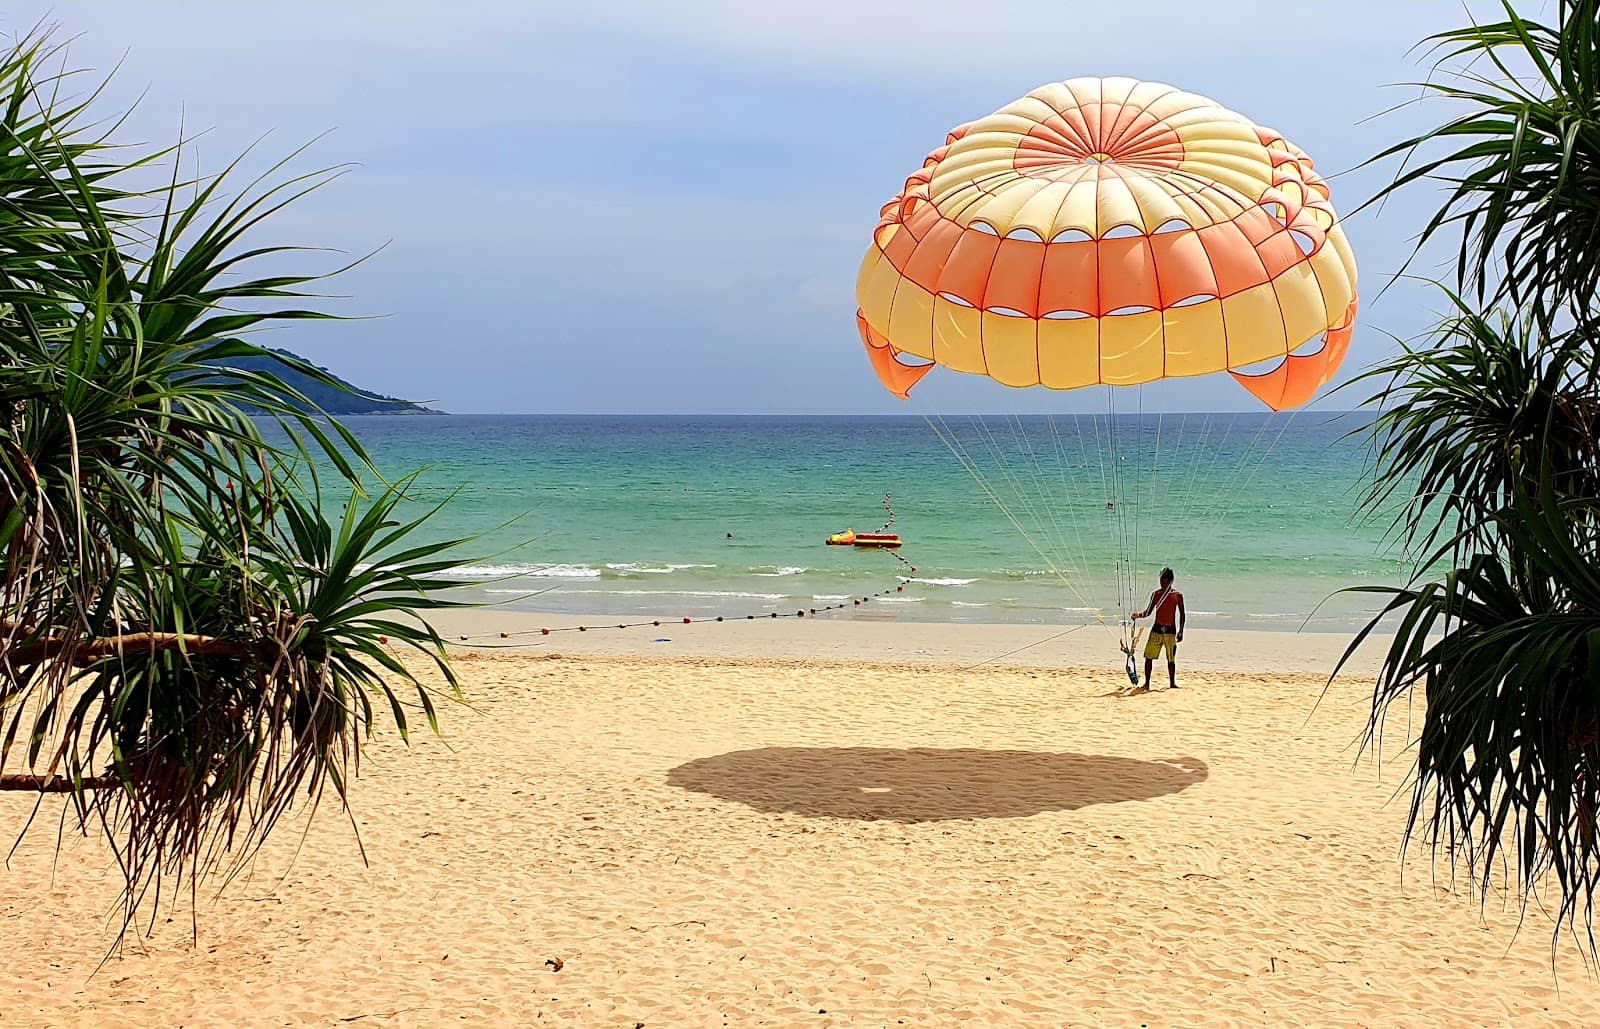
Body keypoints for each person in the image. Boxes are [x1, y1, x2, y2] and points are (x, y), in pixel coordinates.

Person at [1131, 567, 1185, 692]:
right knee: (1148, 657)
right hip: (1157, 629)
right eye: (1161, 580)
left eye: (1164, 580)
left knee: (1171, 659)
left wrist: (1181, 631)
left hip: (1170, 631)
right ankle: (1147, 683)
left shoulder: (1177, 595)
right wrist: (1137, 615)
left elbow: (1182, 614)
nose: (1162, 582)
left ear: (1170, 581)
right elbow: (1148, 612)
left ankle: (1172, 683)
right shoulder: (1156, 594)